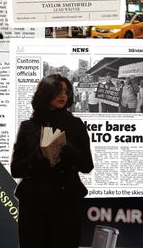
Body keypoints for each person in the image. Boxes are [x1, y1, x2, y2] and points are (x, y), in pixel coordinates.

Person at [11, 74, 94, 248]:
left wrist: (69, 151)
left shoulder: (76, 124)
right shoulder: (28, 126)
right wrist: (36, 158)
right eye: (58, 91)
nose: (63, 95)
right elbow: (16, 170)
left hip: (66, 202)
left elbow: (87, 166)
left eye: (66, 91)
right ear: (45, 94)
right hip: (33, 203)